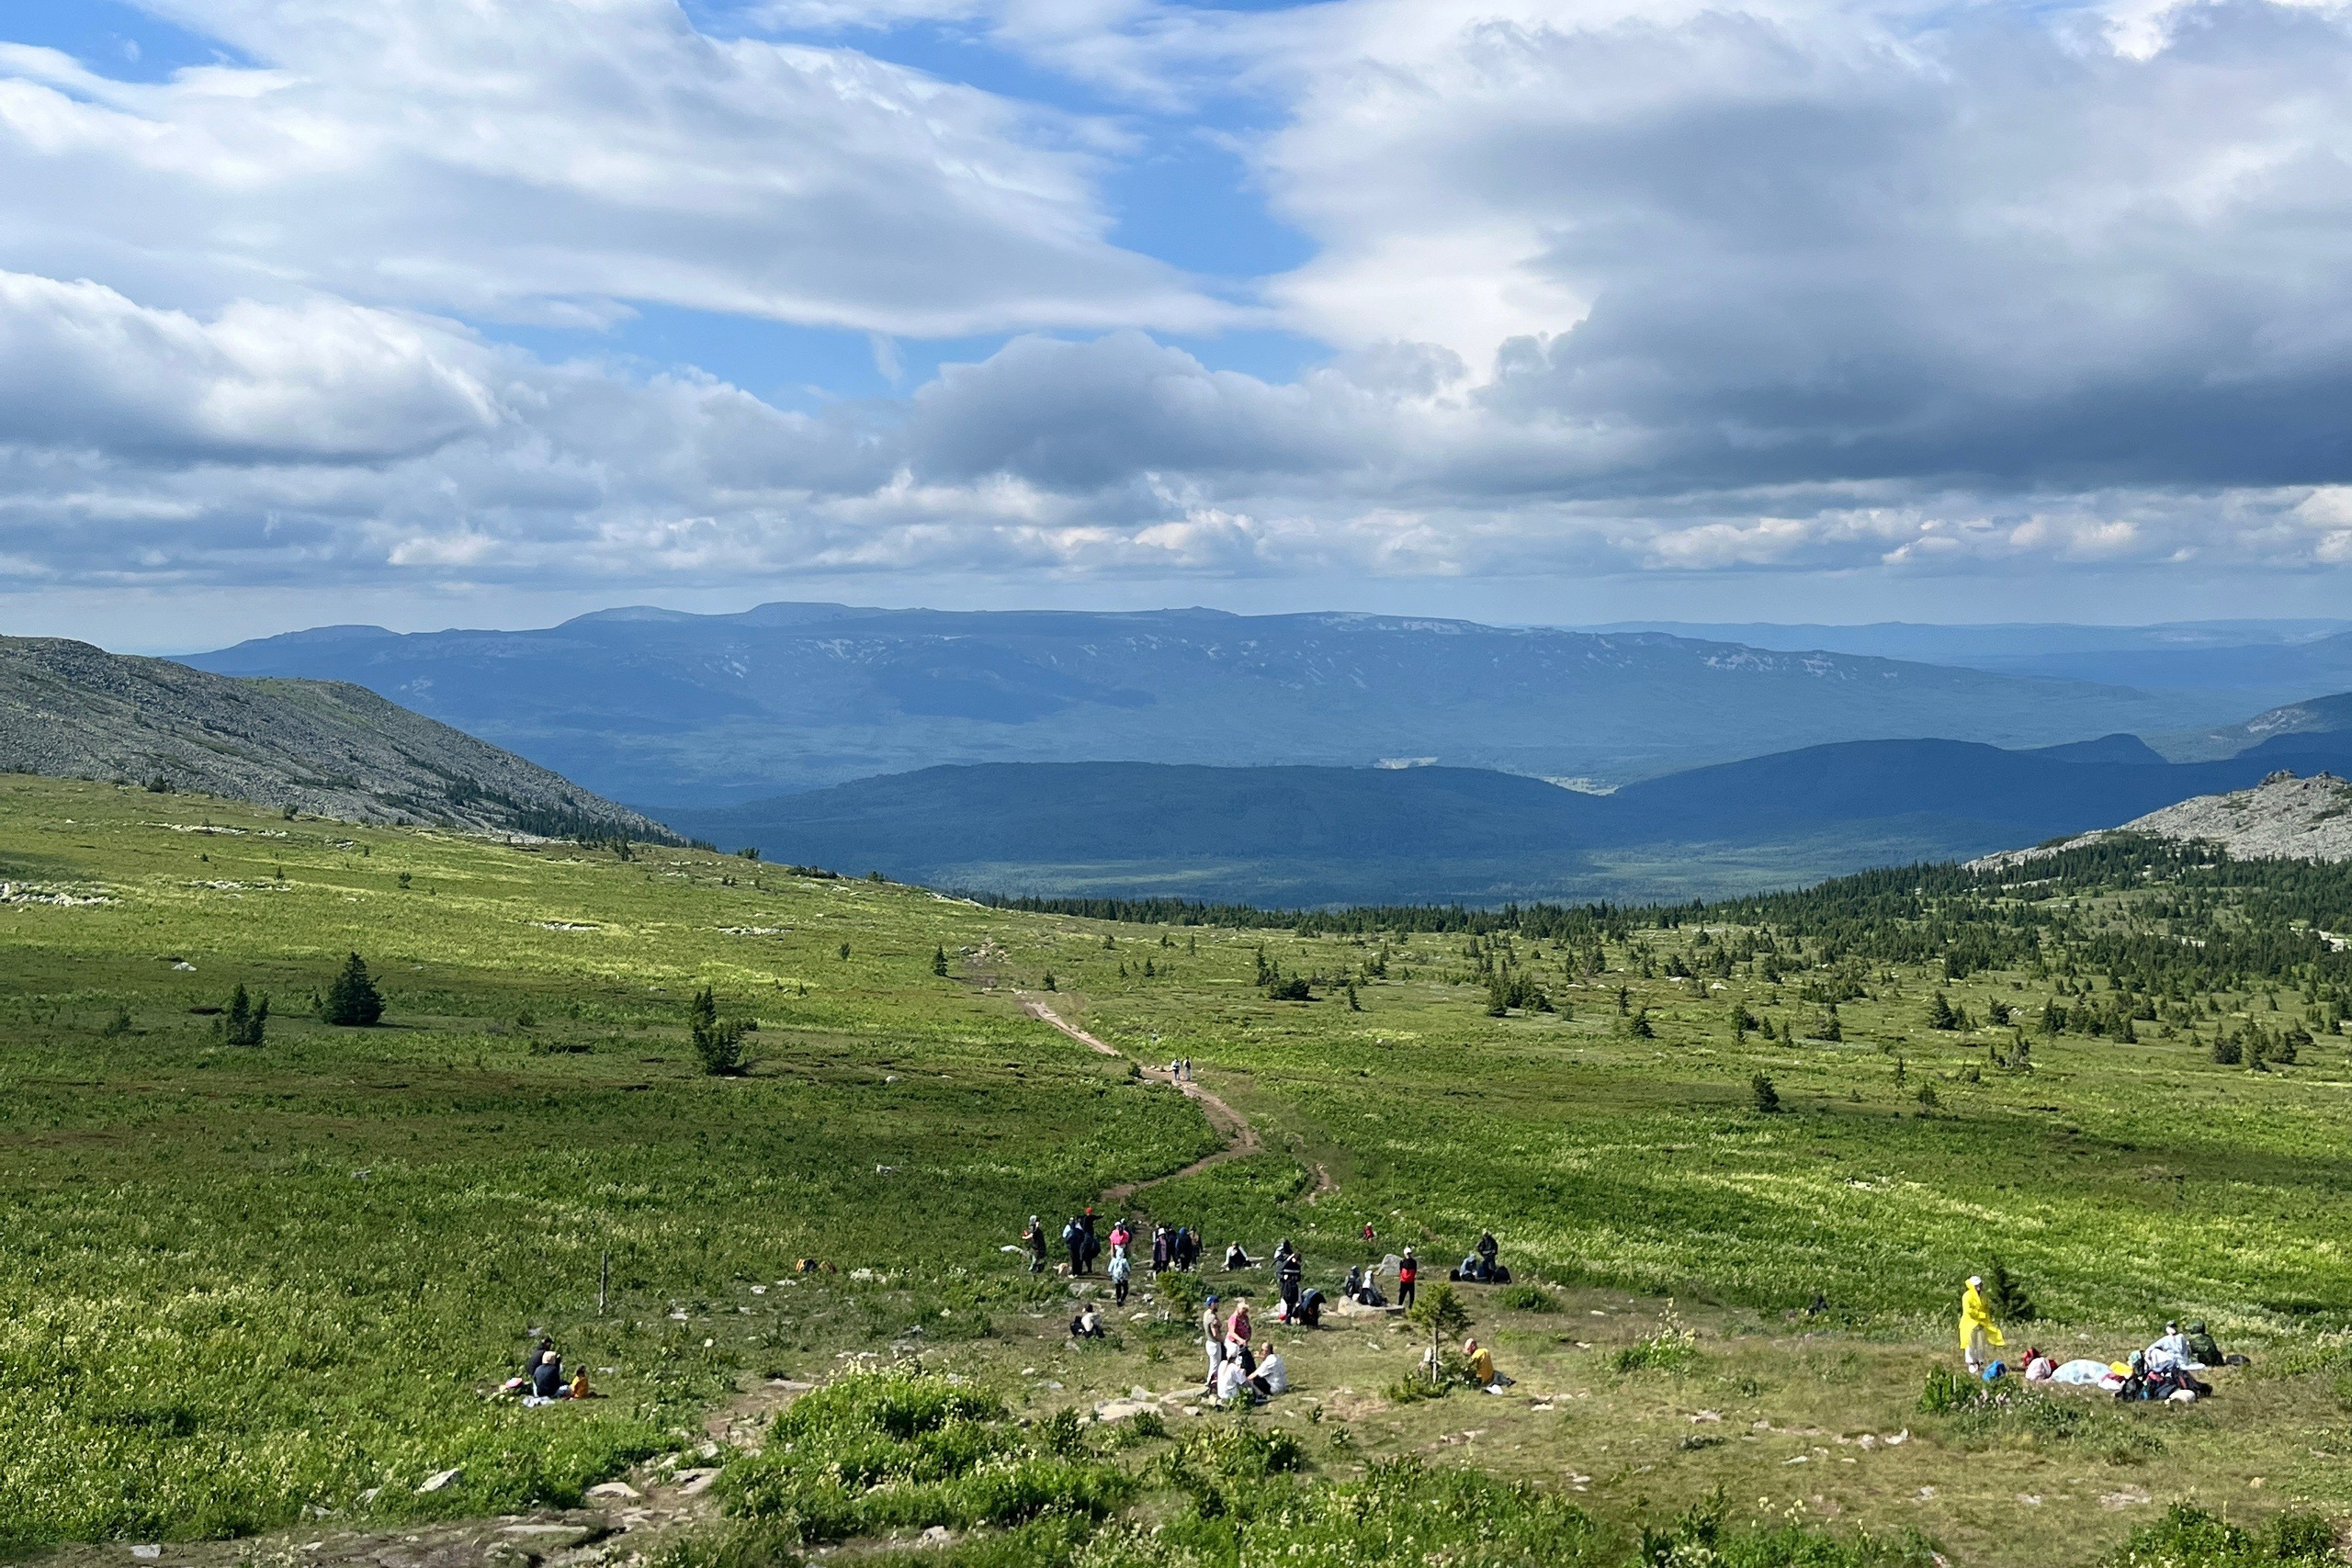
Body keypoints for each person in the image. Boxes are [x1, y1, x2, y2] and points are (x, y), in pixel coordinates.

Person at [1959, 1275, 2005, 1372]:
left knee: (1981, 1342)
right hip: (1969, 1323)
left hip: (1981, 1323)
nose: (1979, 1287)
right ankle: (1971, 1362)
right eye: (1976, 1285)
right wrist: (1981, 1315)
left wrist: (1986, 1319)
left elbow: (1986, 1309)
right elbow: (1968, 1311)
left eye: (1980, 1285)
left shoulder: (1984, 1296)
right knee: (1970, 1342)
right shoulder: (1967, 1296)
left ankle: (1980, 1361)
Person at [1202, 1294, 1226, 1389]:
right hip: (1214, 1343)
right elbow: (1215, 1333)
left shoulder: (1206, 1314)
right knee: (1215, 1364)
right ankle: (1211, 1383)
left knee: (1214, 1363)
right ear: (1213, 1304)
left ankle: (1211, 1381)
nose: (1218, 1306)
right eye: (1216, 1304)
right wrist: (1224, 1341)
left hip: (1209, 1342)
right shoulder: (1212, 1317)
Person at [1227, 1299, 1255, 1374]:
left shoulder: (1245, 1317)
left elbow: (1248, 1327)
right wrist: (1240, 1339)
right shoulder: (1233, 1318)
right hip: (1233, 1342)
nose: (1245, 1312)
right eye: (1243, 1310)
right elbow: (1232, 1332)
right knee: (1233, 1357)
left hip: (1242, 1343)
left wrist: (1248, 1337)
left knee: (1242, 1359)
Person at [1277, 1245, 1305, 1316]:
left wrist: (1296, 1278)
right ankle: (1285, 1315)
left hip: (1293, 1286)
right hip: (1285, 1285)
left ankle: (1290, 1315)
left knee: (1292, 1302)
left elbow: (1299, 1277)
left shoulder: (1297, 1267)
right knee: (1286, 1300)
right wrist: (1283, 1277)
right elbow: (1279, 1272)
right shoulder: (1286, 1265)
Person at [1397, 1247, 1418, 1311]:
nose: (1409, 1255)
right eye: (1407, 1253)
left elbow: (1415, 1270)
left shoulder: (1414, 1262)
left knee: (1412, 1295)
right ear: (1404, 1254)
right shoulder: (1402, 1262)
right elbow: (1400, 1270)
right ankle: (1399, 1306)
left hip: (1411, 1282)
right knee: (1402, 1295)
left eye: (1410, 1253)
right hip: (1404, 1281)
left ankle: (1411, 1307)